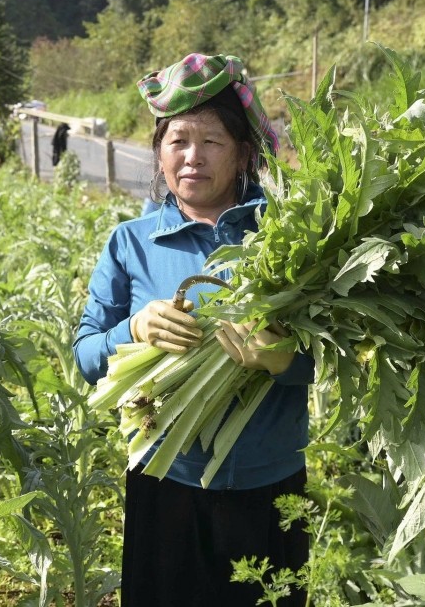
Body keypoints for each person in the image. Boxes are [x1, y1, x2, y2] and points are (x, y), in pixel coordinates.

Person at [73, 53, 314, 606]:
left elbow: (335, 355)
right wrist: (134, 327)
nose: (192, 157)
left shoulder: (289, 236)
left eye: (212, 142)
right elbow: (86, 357)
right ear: (158, 153)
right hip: (165, 481)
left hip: (269, 487)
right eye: (177, 140)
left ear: (245, 154)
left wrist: (283, 360)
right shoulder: (130, 243)